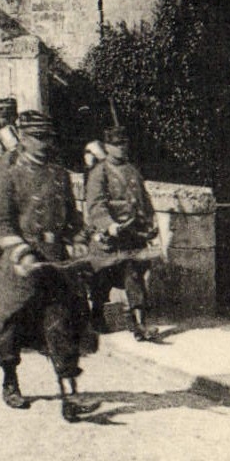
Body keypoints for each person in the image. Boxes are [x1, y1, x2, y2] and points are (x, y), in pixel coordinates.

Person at [0, 109, 92, 420]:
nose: (44, 143)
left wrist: (78, 238)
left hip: (54, 260)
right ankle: (10, 381)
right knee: (11, 322)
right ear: (22, 137)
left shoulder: (59, 174)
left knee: (62, 324)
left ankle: (70, 397)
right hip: (20, 262)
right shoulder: (9, 173)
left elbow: (72, 218)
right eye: (37, 137)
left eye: (48, 137)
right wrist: (21, 251)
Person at [84, 126, 159, 341]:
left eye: (124, 143)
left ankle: (140, 324)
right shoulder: (99, 172)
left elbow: (143, 200)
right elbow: (96, 204)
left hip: (132, 234)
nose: (121, 148)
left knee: (134, 274)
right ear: (107, 146)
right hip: (109, 237)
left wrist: (150, 223)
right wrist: (108, 224)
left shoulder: (132, 170)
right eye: (116, 144)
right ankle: (96, 315)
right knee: (102, 279)